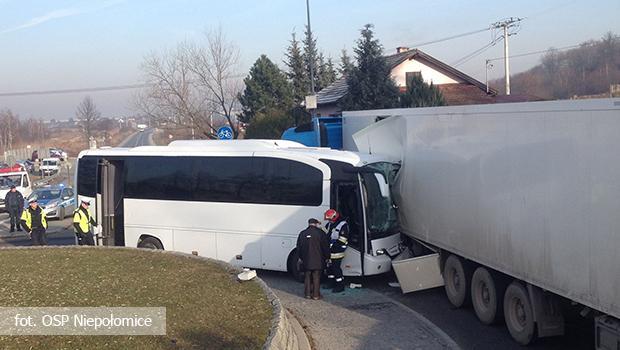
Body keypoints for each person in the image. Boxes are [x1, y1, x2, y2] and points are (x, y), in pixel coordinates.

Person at [296, 218, 330, 300]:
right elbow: (325, 247)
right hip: (318, 260)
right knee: (316, 277)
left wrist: (301, 257)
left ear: (309, 224)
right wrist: (327, 257)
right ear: (316, 224)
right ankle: (316, 295)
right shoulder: (320, 233)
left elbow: (298, 247)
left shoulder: (302, 233)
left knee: (307, 276)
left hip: (306, 260)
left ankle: (307, 294)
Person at [324, 209, 349, 293]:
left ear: (334, 217)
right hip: (330, 251)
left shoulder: (343, 225)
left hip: (338, 250)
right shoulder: (330, 224)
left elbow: (342, 239)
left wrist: (332, 245)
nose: (329, 220)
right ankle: (331, 283)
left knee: (336, 268)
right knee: (329, 267)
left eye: (329, 219)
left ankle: (340, 285)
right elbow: (327, 234)